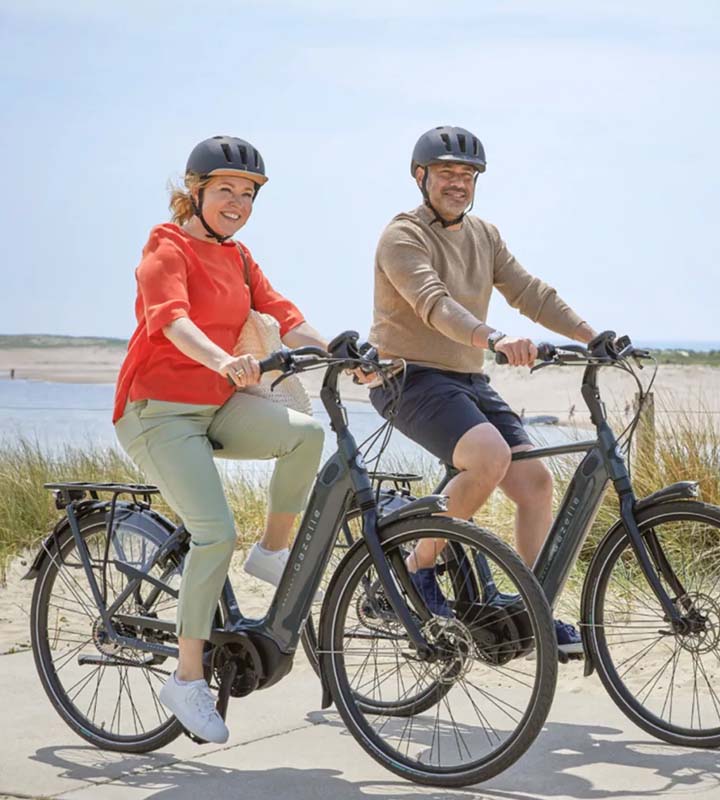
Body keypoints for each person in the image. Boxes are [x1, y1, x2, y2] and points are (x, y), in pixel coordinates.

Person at [112, 136, 331, 743]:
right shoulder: (166, 245)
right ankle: (186, 678)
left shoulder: (237, 257)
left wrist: (339, 353)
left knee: (306, 437)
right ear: (196, 191)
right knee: (214, 533)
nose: (238, 202)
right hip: (157, 412)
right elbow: (171, 318)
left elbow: (281, 310)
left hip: (217, 407)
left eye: (248, 193)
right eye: (226, 190)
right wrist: (221, 360)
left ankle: (273, 550)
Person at [368, 125, 597, 656]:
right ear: (420, 176)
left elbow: (528, 291)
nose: (458, 183)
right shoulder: (402, 236)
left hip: (466, 379)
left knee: (536, 483)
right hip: (409, 378)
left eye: (468, 175)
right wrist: (492, 337)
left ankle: (532, 609)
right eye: (447, 172)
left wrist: (594, 337)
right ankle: (416, 569)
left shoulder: (484, 235)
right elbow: (434, 303)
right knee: (488, 456)